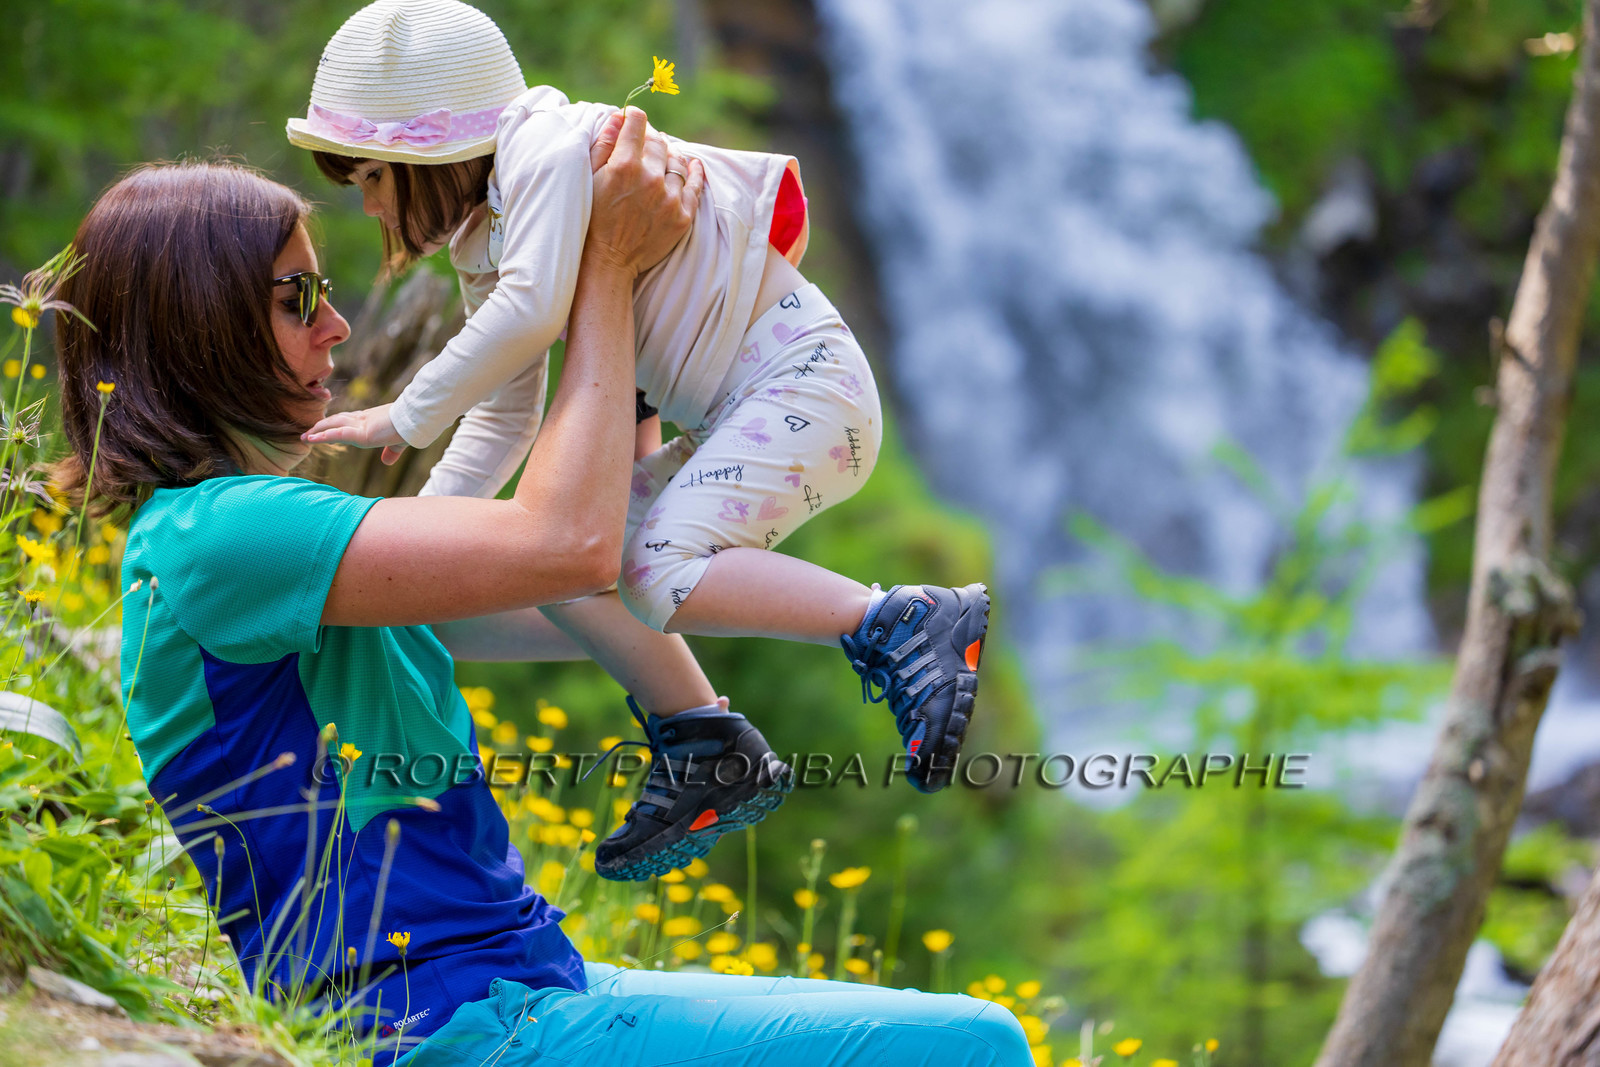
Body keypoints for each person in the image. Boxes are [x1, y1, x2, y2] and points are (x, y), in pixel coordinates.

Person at [52, 115, 1029, 1067]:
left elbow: (586, 578)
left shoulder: (264, 547)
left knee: (972, 1032)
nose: (338, 325)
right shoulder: (220, 535)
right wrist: (598, 268)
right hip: (440, 1025)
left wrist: (655, 364)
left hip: (520, 985)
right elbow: (566, 544)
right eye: (297, 296)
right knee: (975, 1046)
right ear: (200, 322)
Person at [286, 0, 992, 880]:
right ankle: (705, 747)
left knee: (655, 570)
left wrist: (405, 415)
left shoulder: (545, 153)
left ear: (430, 153)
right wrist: (430, 541)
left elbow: (531, 310)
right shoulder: (490, 229)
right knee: (556, 553)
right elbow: (506, 413)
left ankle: (896, 619)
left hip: (805, 388)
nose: (368, 205)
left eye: (371, 178)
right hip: (740, 412)